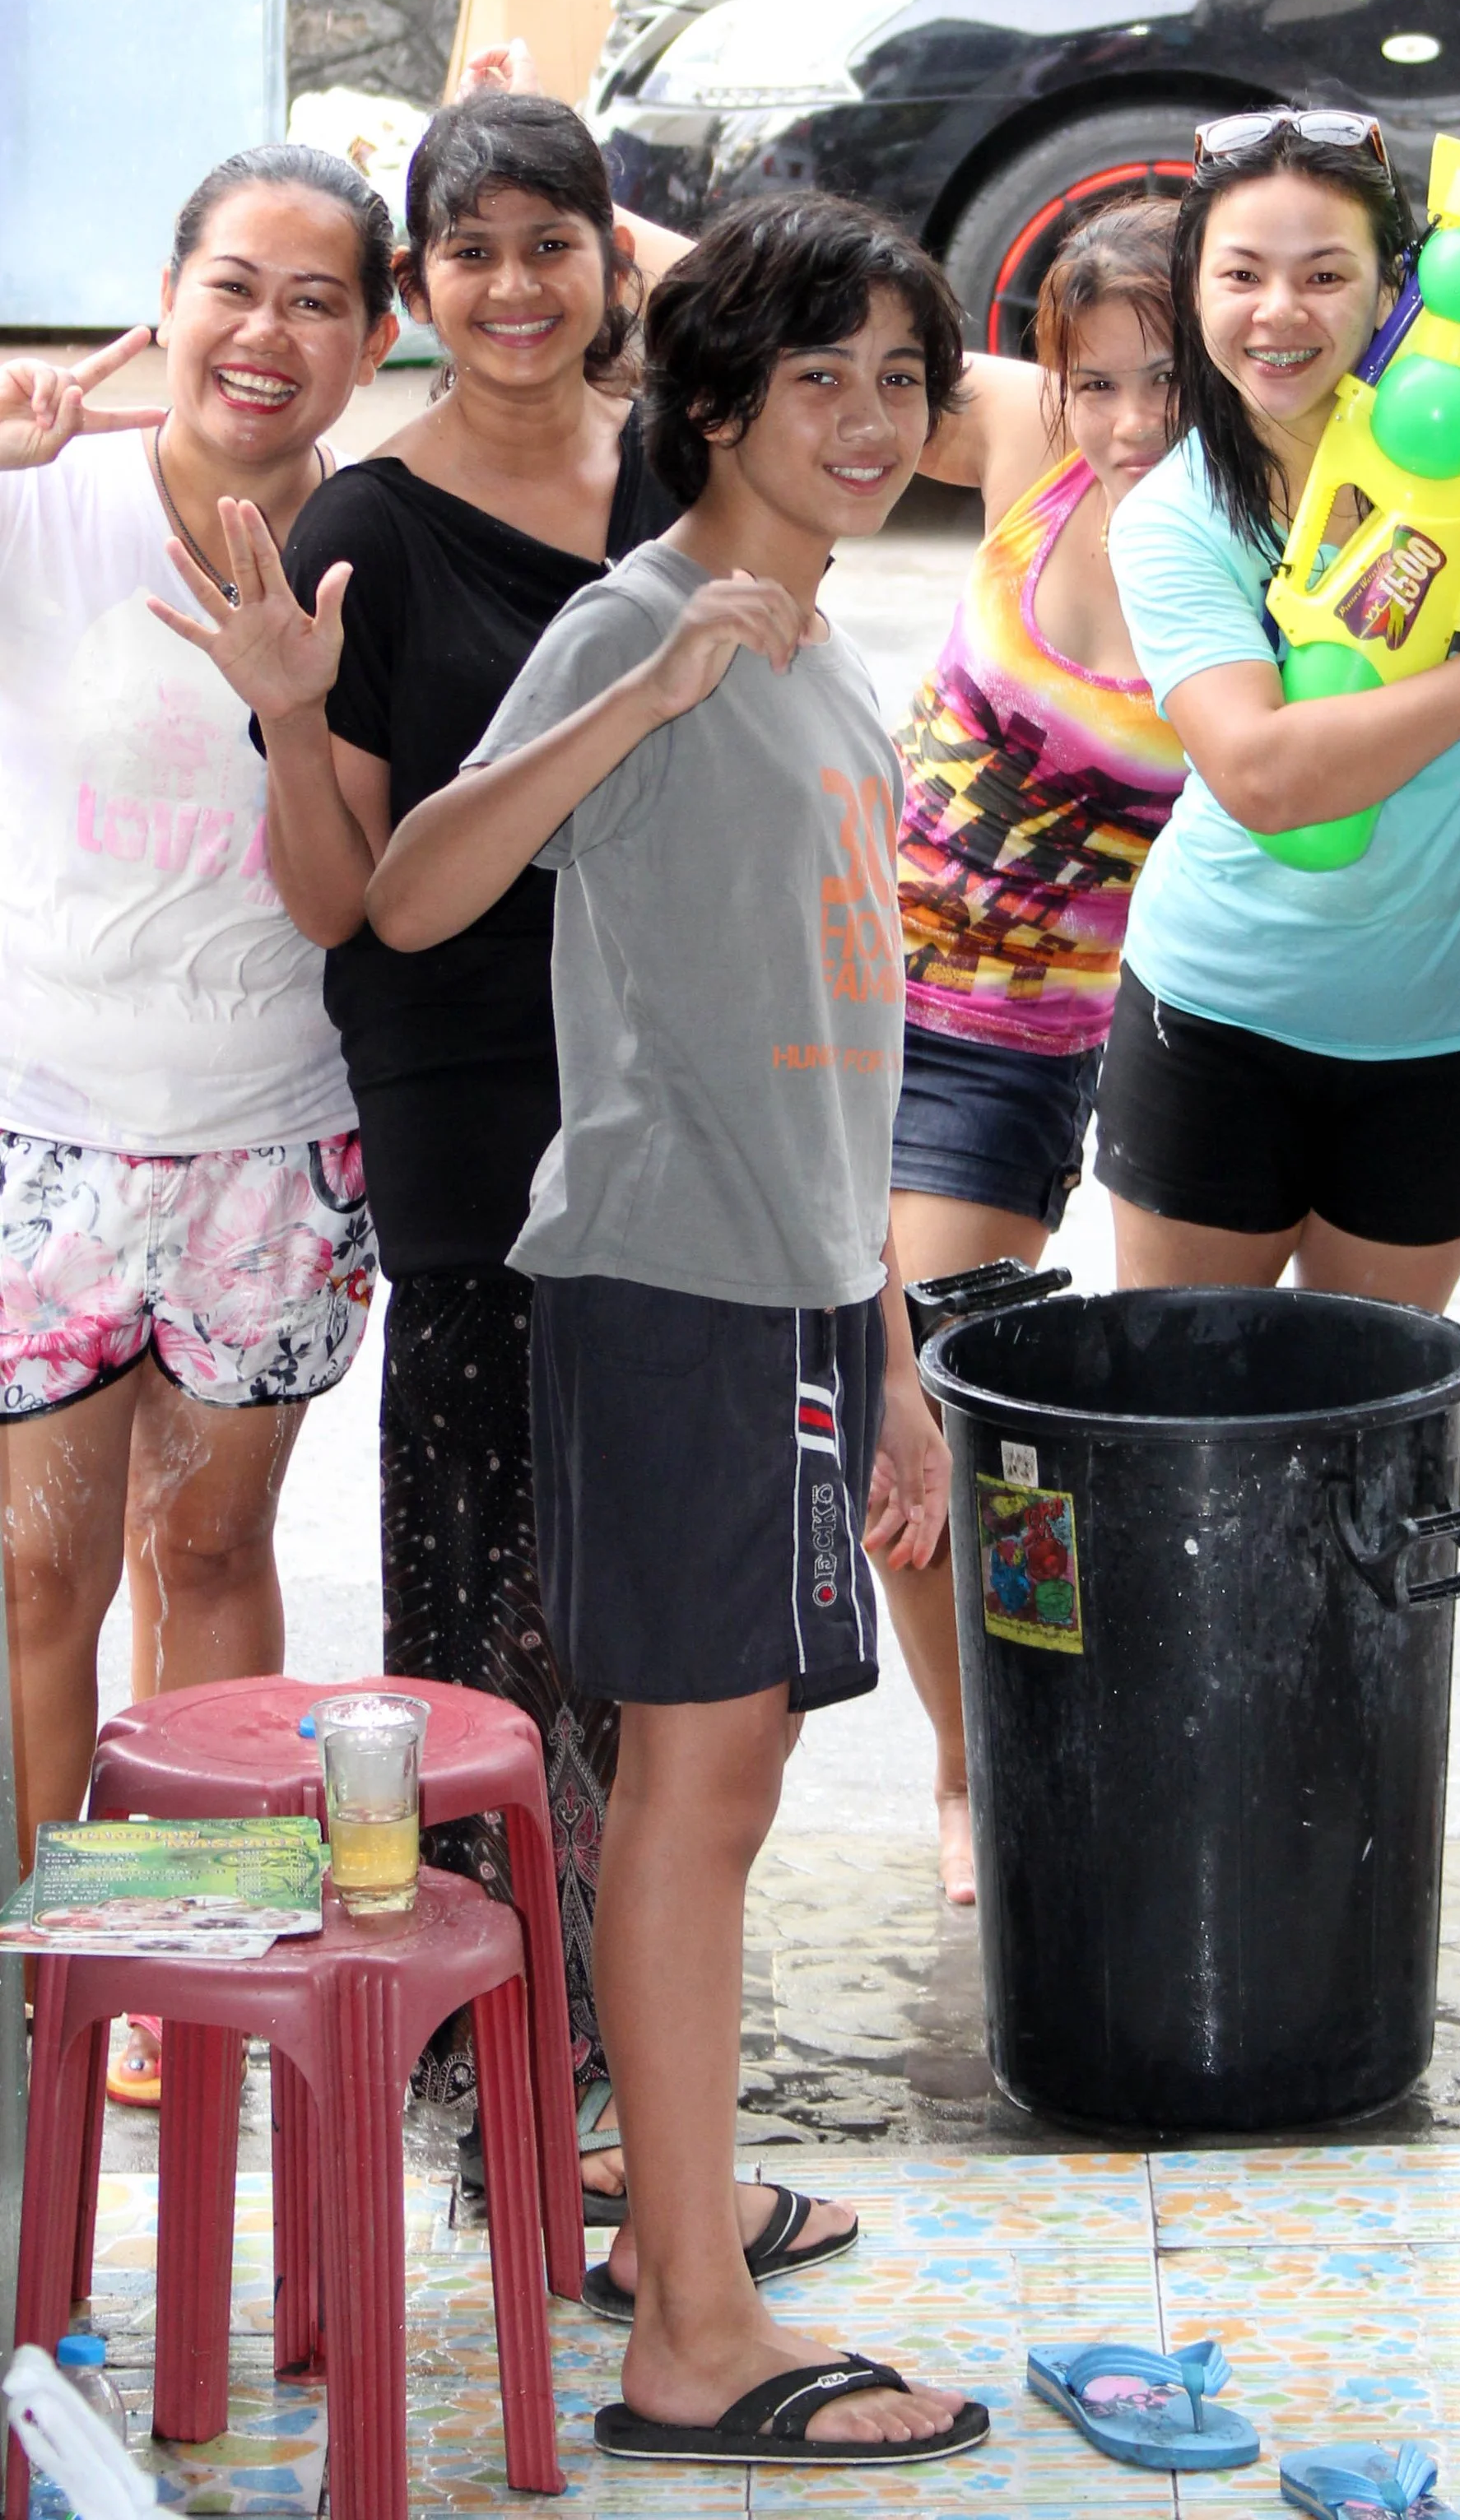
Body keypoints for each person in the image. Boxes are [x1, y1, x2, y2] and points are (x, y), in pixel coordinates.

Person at [156, 91, 846, 2268]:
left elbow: (942, 406)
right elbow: (348, 903)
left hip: (705, 1103)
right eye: (472, 252)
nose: (518, 289)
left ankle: (639, 2109)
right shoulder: (367, 510)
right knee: (496, 1625)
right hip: (484, 1131)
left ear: (608, 258)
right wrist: (289, 709)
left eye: (557, 243)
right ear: (418, 291)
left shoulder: (683, 471)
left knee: (686, 1643)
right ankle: (520, 2111)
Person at [361, 190, 988, 2467]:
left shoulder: (834, 656)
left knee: (727, 1789)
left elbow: (854, 1024)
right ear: (711, 400)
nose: (862, 419)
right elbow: (420, 888)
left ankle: (685, 2230)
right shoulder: (647, 621)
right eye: (813, 376)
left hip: (799, 1291)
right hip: (653, 1278)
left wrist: (890, 1344)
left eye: (897, 381)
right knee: (690, 1797)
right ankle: (693, 2331)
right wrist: (644, 686)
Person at [0, 146, 398, 2105]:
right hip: (46, 1126)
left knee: (209, 1544)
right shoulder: (46, 498)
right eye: (235, 286)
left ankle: (179, 1965)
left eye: (318, 300)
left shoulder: (379, 547)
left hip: (275, 1132)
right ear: (163, 301)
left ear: (372, 341)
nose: (268, 334)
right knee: (31, 1572)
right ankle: (40, 1968)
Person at [1098, 110, 1460, 1313]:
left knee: (1366, 1440)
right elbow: (1271, 778)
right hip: (1218, 1020)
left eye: (1325, 275)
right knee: (1187, 1419)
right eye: (1240, 274)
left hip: (1453, 1025)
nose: (1279, 312)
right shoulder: (1178, 517)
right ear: (1193, 290)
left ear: (1400, 289)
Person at [886, 199, 1188, 1899]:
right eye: (1098, 382)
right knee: (843, 1420)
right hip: (829, 989)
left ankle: (984, 1762)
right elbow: (781, 341)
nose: (1130, 421)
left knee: (949, 1410)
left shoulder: (1256, 554)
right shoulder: (1022, 440)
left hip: (1003, 1052)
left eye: (1169, 383)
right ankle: (959, 1746)